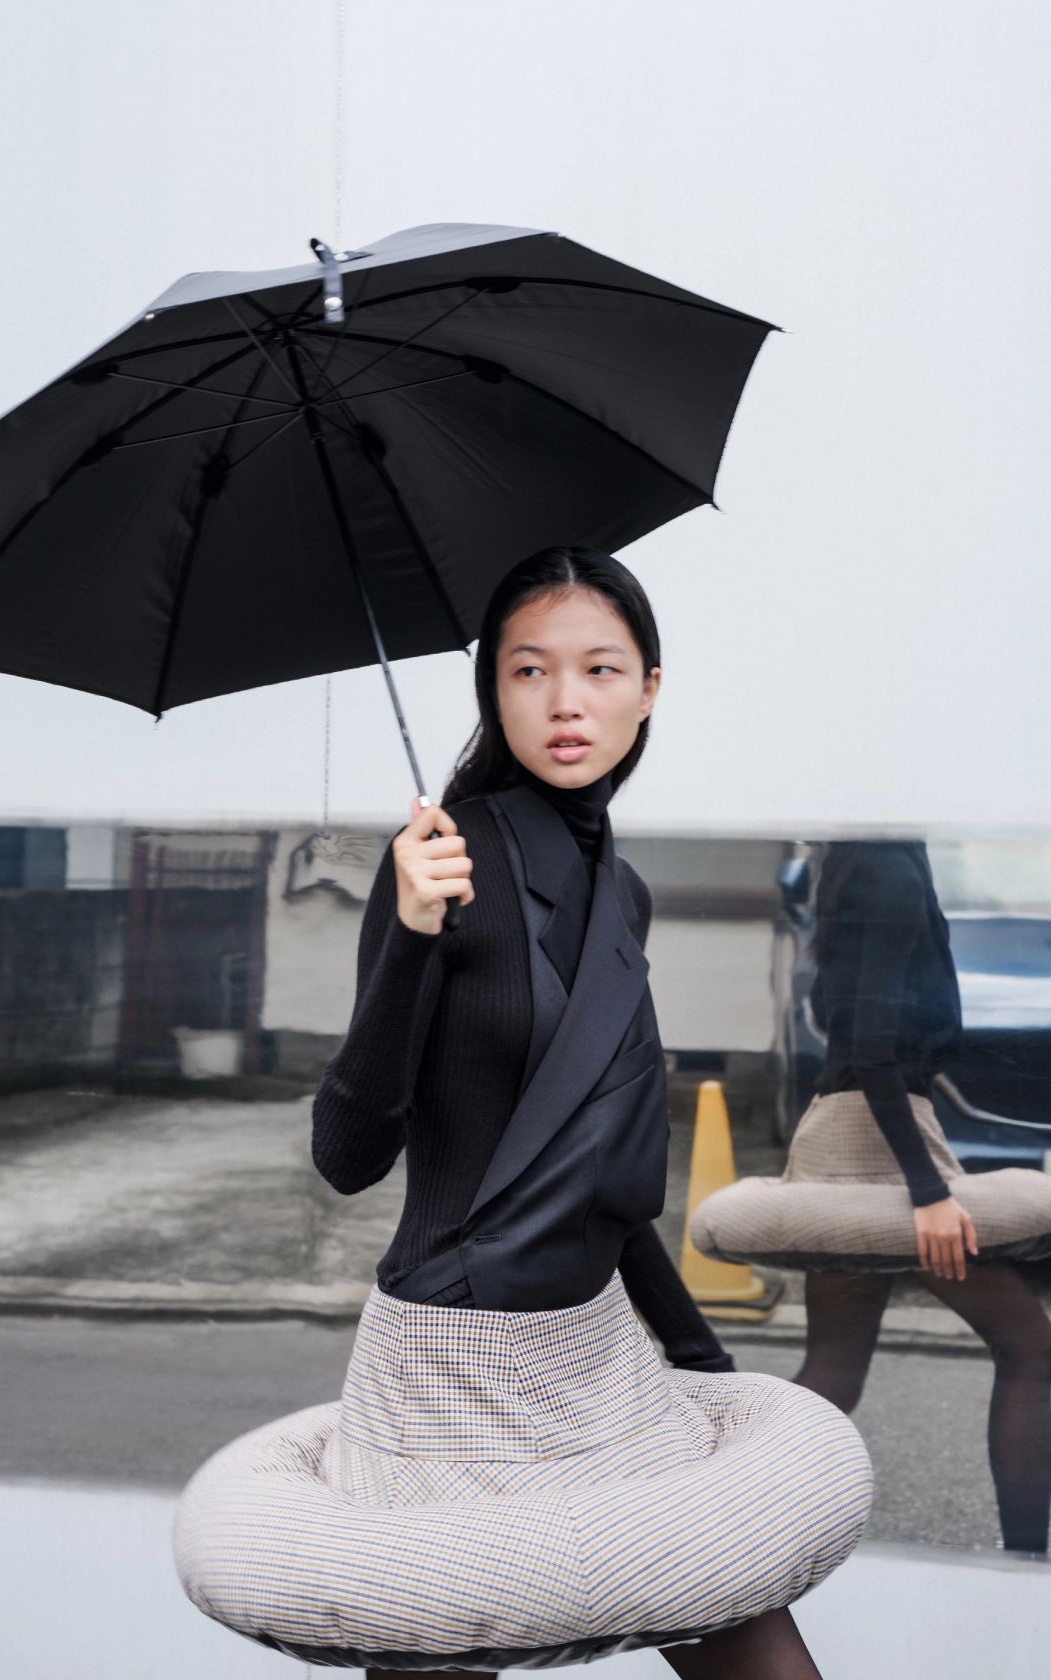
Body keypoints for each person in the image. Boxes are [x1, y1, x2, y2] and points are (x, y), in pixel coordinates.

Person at [172, 548, 872, 1677]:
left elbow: (602, 1177)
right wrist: (407, 931)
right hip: (449, 1358)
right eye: (527, 670)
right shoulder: (442, 862)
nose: (564, 702)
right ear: (492, 691)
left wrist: (698, 1368)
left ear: (651, 686)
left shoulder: (621, 888)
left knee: (763, 1657)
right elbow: (348, 1154)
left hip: (597, 1349)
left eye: (600, 668)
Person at [789, 842, 1051, 1555]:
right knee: (1032, 1345)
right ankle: (1027, 1568)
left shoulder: (862, 865)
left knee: (835, 1372)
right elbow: (873, 1052)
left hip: (849, 1130)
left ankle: (719, 1535)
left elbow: (838, 1018)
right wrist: (929, 1193)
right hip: (872, 1138)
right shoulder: (890, 871)